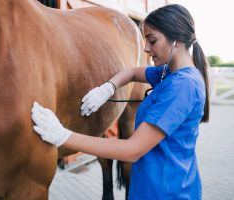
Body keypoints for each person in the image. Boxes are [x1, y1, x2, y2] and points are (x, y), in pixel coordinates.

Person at [31, 4, 209, 200]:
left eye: (152, 40)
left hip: (166, 192)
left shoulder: (183, 86)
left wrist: (63, 136)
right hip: (152, 186)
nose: (146, 49)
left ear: (175, 40)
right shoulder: (169, 72)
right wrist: (107, 88)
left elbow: (131, 150)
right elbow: (132, 72)